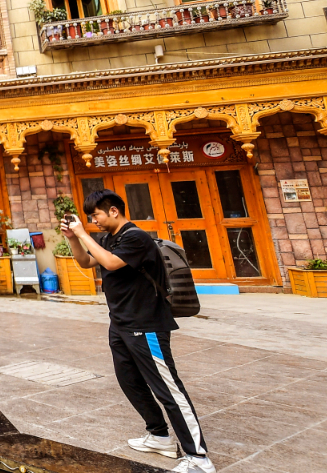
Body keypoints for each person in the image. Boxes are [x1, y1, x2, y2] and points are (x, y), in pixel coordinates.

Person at [61, 190, 213, 473]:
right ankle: (160, 436)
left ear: (114, 211)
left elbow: (110, 263)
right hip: (120, 324)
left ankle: (199, 458)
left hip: (146, 325)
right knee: (129, 380)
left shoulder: (135, 237)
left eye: (96, 215)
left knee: (168, 388)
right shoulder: (109, 239)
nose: (93, 221)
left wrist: (82, 233)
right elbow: (86, 263)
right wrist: (73, 239)